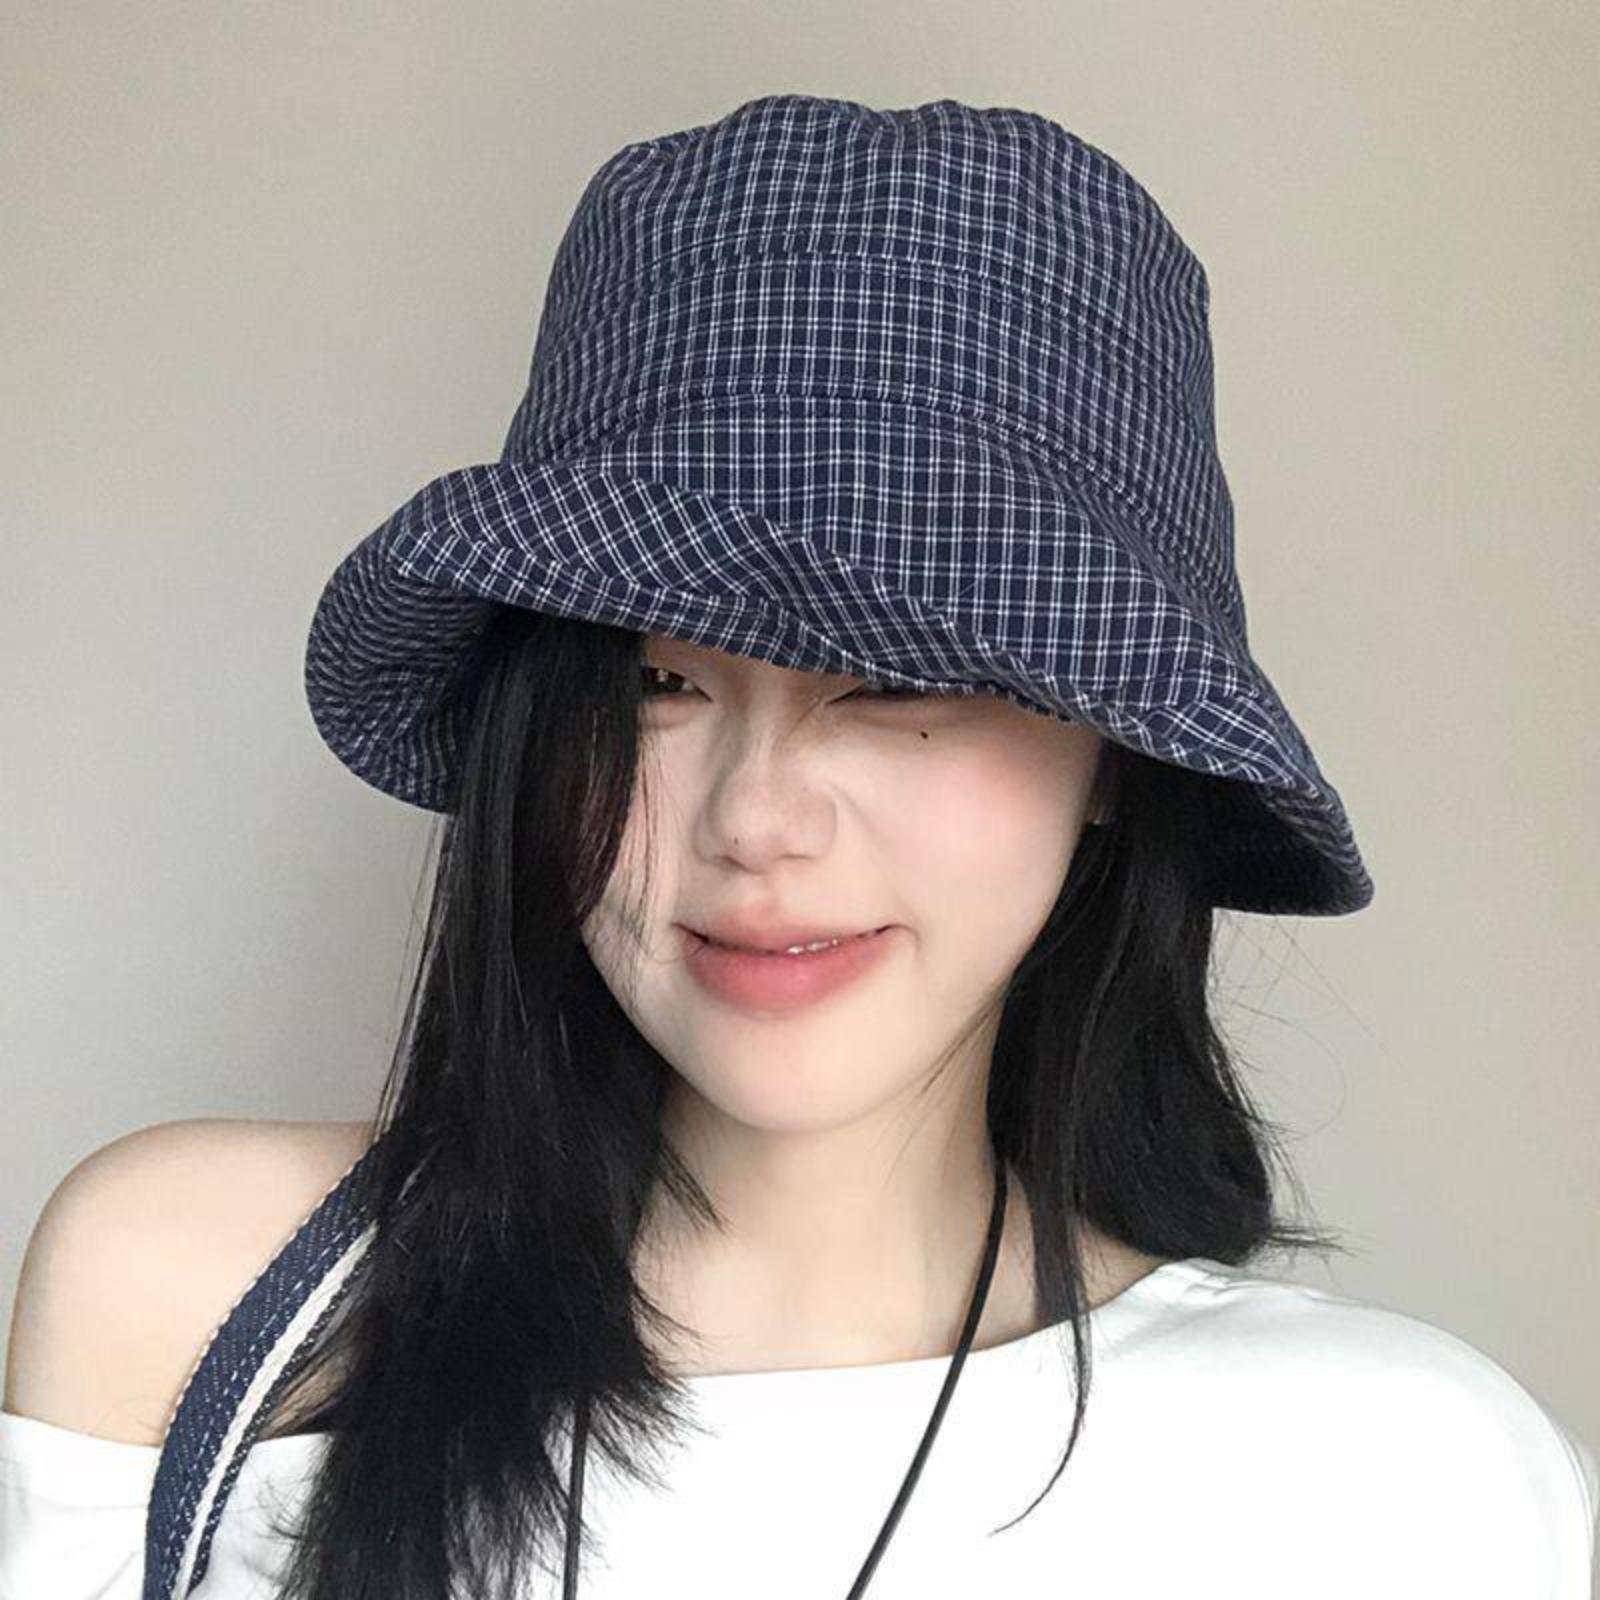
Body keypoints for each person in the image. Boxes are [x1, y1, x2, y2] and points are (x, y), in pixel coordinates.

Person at [3, 93, 1595, 1600]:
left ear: (1114, 755)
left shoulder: (1396, 1475)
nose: (758, 819)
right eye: (655, 683)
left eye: (895, 680)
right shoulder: (192, 1295)